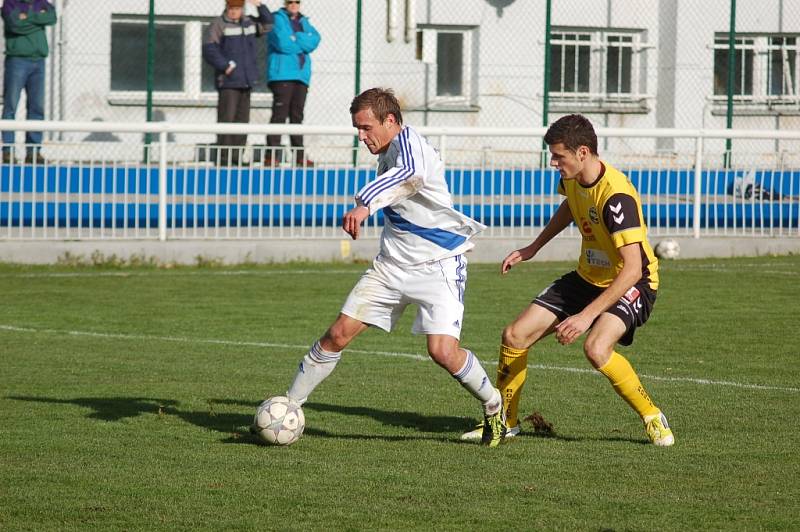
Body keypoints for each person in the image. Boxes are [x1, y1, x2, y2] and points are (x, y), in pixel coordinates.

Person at [269, 88, 507, 447]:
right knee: (337, 335)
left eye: (366, 128)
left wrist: (364, 204)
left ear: (391, 121)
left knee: (442, 352)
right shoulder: (388, 152)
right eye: (358, 130)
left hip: (439, 265)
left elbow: (410, 175)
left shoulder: (414, 147)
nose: (362, 137)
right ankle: (288, 407)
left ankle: (494, 408)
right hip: (392, 267)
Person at [461, 114, 675, 447]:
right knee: (514, 335)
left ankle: (652, 416)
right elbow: (570, 207)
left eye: (559, 156)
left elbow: (632, 269)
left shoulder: (616, 196)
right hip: (588, 278)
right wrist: (533, 247)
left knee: (596, 348)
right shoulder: (573, 178)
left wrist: (586, 316)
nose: (553, 162)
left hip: (633, 282)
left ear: (583, 153)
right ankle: (507, 421)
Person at [203, 0, 273, 166]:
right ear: (226, 8)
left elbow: (269, 24)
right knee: (227, 121)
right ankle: (224, 160)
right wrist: (225, 66)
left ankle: (237, 158)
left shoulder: (248, 23)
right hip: (228, 82)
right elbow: (209, 49)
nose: (234, 11)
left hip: (246, 82)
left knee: (242, 123)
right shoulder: (218, 24)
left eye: (238, 8)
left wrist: (259, 5)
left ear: (242, 9)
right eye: (232, 8)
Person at [264, 0, 320, 167]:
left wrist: (296, 38)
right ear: (285, 4)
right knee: (279, 115)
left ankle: (299, 156)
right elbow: (282, 43)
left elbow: (315, 40)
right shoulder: (277, 19)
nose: (294, 4)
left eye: (297, 2)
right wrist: (302, 44)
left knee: (297, 117)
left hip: (301, 76)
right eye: (290, 1)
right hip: (282, 75)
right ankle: (272, 155)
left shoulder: (304, 21)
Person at [1, 0, 57, 165]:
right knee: (11, 107)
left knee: (36, 108)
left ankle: (33, 152)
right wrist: (38, 18)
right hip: (17, 61)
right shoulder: (10, 4)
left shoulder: (42, 3)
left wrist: (27, 17)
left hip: (38, 61)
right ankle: (8, 152)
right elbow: (14, 25)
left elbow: (52, 17)